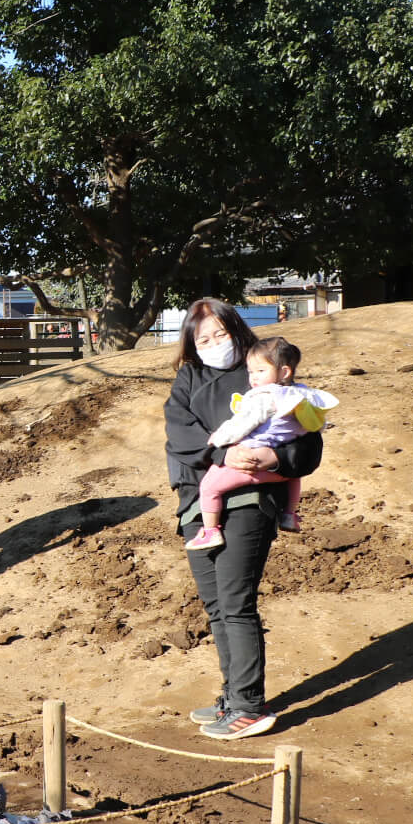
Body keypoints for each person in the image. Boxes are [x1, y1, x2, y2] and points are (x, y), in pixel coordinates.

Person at [165, 300, 325, 741]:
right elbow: (180, 436)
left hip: (252, 498)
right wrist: (220, 453)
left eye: (221, 333)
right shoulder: (189, 378)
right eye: (204, 339)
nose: (215, 344)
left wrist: (275, 456)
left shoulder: (267, 372)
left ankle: (249, 705)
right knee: (216, 606)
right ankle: (232, 694)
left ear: (238, 329)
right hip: (197, 501)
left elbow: (307, 440)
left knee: (236, 602)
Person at [186, 336, 338, 551]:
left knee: (209, 487)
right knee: (295, 476)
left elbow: (242, 423)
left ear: (284, 372)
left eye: (260, 371)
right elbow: (316, 424)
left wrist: (217, 439)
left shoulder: (264, 397)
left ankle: (210, 531)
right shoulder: (300, 395)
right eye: (250, 371)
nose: (253, 378)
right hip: (283, 468)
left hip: (250, 460)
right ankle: (289, 515)